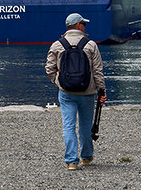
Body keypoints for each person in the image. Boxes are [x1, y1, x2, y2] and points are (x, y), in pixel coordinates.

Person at [45, 12, 106, 170]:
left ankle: (71, 161)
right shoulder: (91, 44)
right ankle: (86, 156)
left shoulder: (57, 45)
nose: (85, 26)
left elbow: (49, 69)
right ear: (78, 25)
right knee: (85, 126)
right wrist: (102, 90)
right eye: (83, 24)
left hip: (66, 93)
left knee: (68, 125)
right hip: (87, 92)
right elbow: (98, 71)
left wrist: (59, 83)